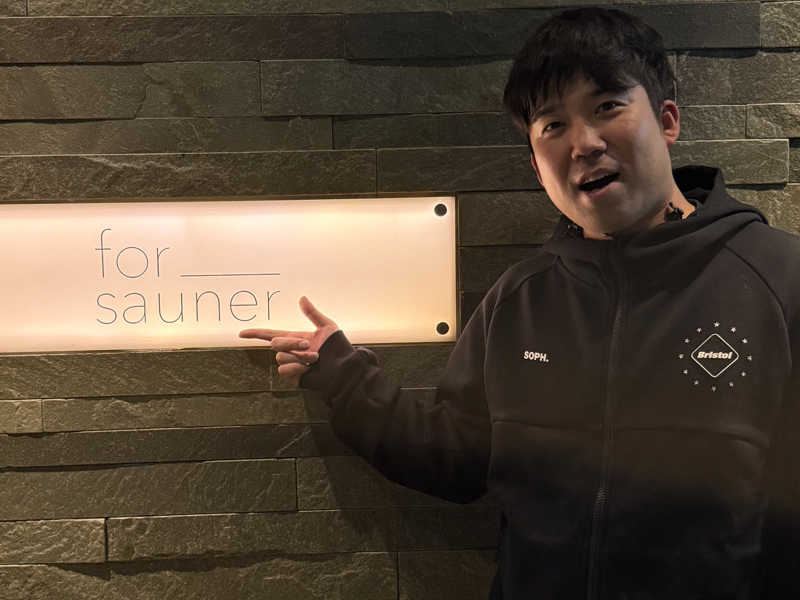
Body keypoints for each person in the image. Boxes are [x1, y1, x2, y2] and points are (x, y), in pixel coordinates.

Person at [240, 7, 800, 598]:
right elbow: (457, 459)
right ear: (536, 164)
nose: (584, 143)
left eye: (607, 107)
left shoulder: (778, 279)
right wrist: (344, 377)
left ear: (666, 121)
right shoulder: (520, 299)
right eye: (553, 124)